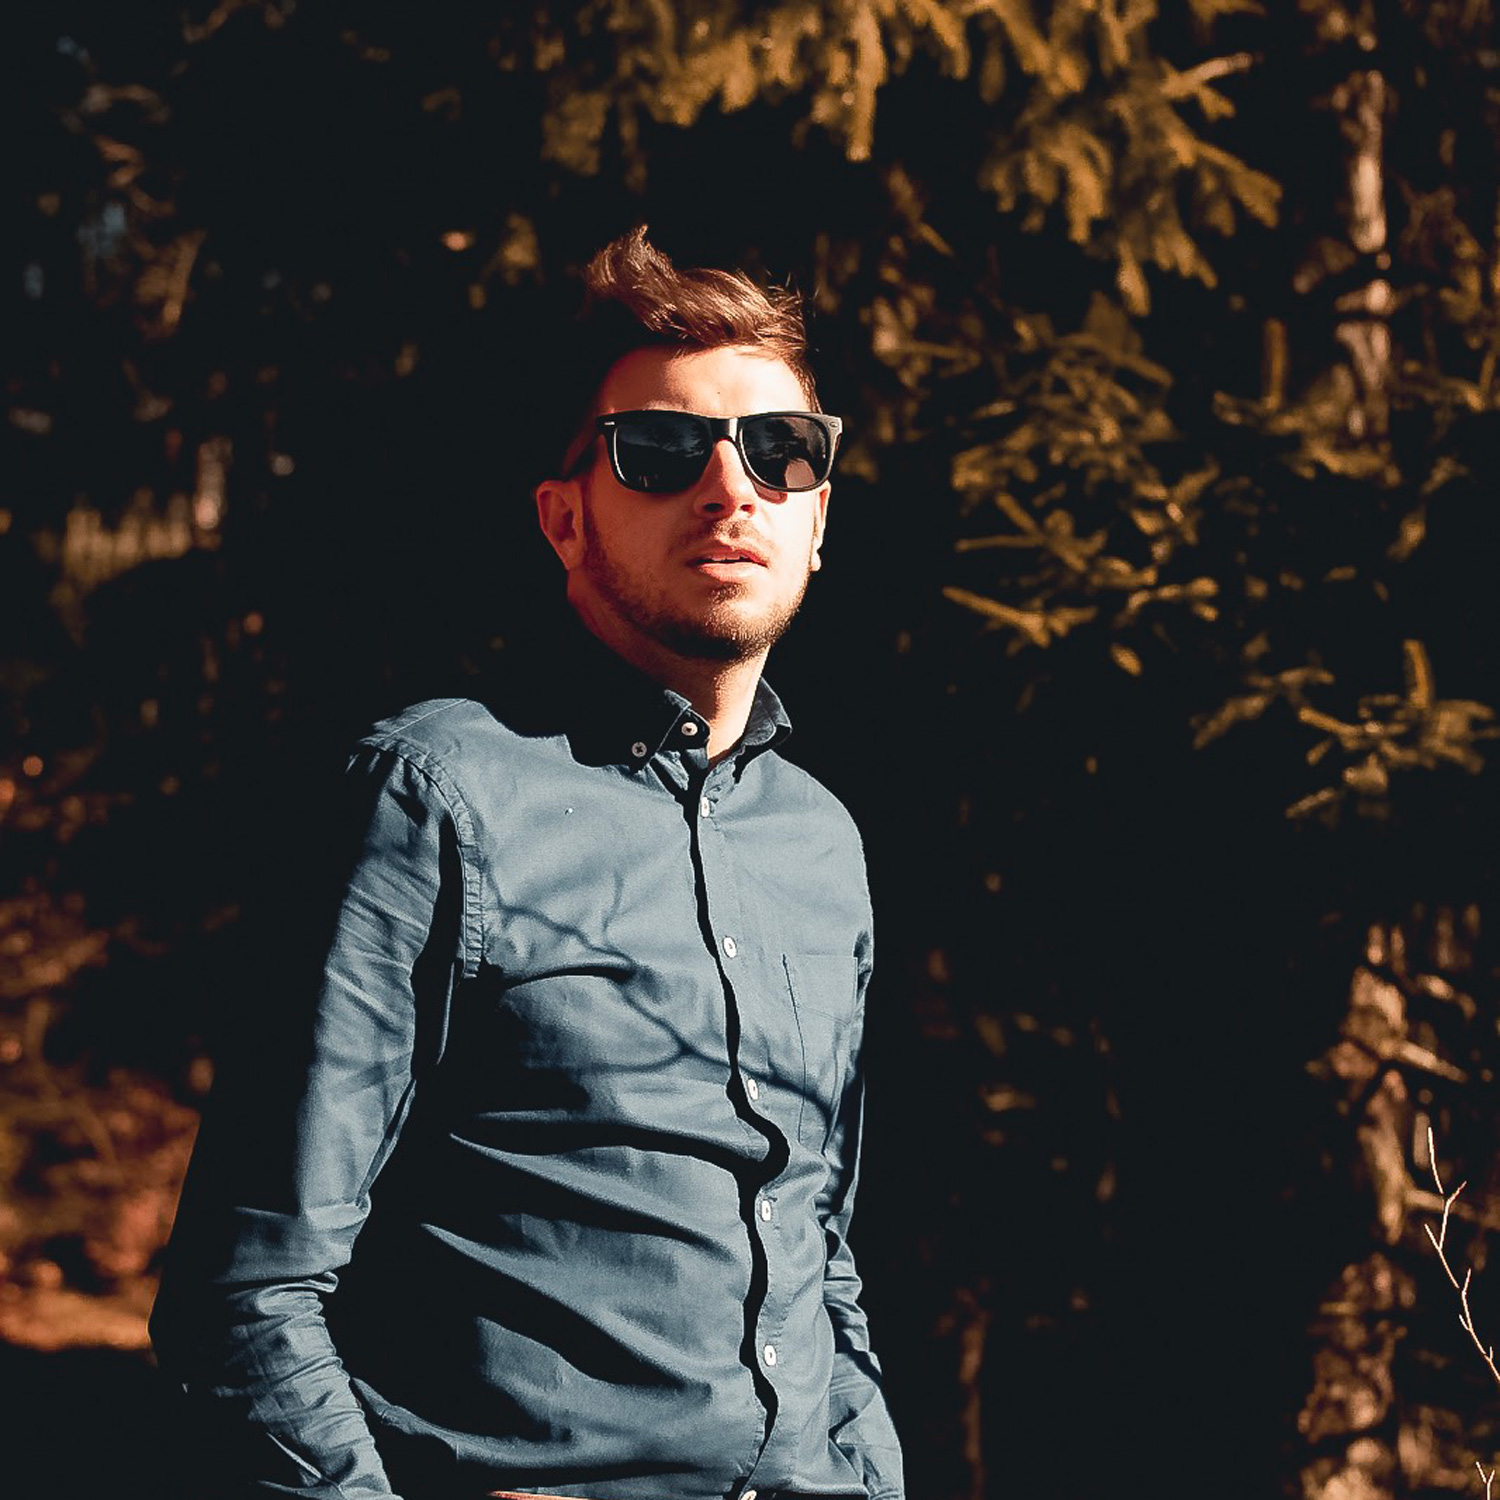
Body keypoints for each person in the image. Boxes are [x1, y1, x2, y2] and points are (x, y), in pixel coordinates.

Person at [151, 228, 905, 1500]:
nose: (732, 490)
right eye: (660, 451)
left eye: (781, 450)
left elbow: (820, 1251)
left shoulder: (821, 843)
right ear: (565, 519)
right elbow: (248, 1292)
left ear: (819, 514)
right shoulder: (435, 797)